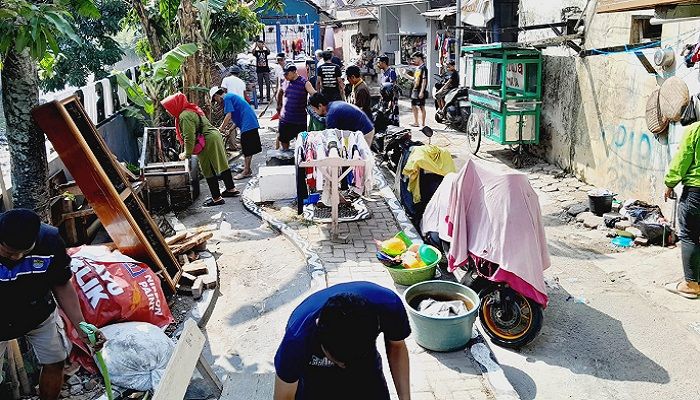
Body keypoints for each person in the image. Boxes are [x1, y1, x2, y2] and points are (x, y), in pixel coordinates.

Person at [0, 209, 106, 400]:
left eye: (24, 252)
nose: (16, 258)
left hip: (38, 312)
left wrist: (82, 326)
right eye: (9, 253)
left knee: (55, 361)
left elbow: (62, 284)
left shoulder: (50, 241)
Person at [273, 281, 411, 400]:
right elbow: (284, 396)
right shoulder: (297, 340)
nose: (344, 367)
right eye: (339, 361)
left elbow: (397, 347)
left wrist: (405, 398)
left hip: (366, 373)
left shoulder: (388, 305)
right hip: (317, 378)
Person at [162, 92, 240, 207]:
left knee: (208, 169)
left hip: (206, 141)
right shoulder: (192, 109)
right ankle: (230, 189)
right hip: (214, 136)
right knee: (222, 164)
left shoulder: (184, 116)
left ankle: (216, 198)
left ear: (175, 105)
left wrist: (187, 153)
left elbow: (189, 137)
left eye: (168, 108)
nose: (167, 111)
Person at [664, 122, 700, 298]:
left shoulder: (695, 130)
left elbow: (682, 159)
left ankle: (691, 285)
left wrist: (670, 183)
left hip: (696, 193)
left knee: (689, 235)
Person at [211, 87, 262, 179]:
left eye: (215, 100)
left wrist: (220, 129)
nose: (217, 102)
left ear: (216, 96)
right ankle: (247, 169)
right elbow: (236, 118)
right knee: (246, 147)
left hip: (248, 123)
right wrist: (230, 130)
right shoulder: (230, 97)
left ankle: (246, 171)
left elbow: (229, 115)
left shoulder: (227, 98)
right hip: (247, 122)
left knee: (247, 148)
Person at [309, 93, 375, 146]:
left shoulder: (331, 115)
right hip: (364, 129)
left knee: (362, 160)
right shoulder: (333, 105)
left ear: (320, 106)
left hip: (365, 132)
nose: (314, 112)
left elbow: (332, 137)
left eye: (314, 109)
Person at [276, 65, 317, 150]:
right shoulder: (285, 81)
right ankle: (286, 156)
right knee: (284, 140)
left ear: (294, 72)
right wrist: (279, 105)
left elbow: (313, 93)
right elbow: (280, 92)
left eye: (287, 74)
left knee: (302, 142)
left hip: (299, 120)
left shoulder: (304, 82)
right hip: (285, 119)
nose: (285, 76)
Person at [404, 52, 428, 128]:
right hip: (415, 90)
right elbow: (414, 79)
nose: (413, 60)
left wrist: (421, 91)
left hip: (420, 90)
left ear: (419, 58)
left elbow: (424, 81)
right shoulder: (418, 68)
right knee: (413, 105)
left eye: (415, 58)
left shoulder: (423, 68)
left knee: (421, 106)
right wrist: (405, 74)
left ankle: (423, 124)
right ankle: (416, 122)